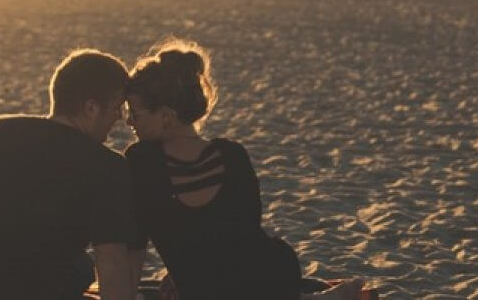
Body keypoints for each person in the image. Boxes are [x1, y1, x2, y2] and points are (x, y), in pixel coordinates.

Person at [124, 39, 368, 300]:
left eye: (135, 114)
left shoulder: (142, 160)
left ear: (165, 116)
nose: (128, 121)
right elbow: (236, 234)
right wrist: (179, 272)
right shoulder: (232, 155)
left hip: (226, 283)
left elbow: (136, 246)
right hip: (269, 272)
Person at [0, 49, 138, 300]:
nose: (120, 117)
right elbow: (112, 263)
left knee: (76, 267)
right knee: (81, 270)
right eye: (117, 107)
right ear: (91, 108)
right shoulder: (106, 166)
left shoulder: (0, 132)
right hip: (26, 289)